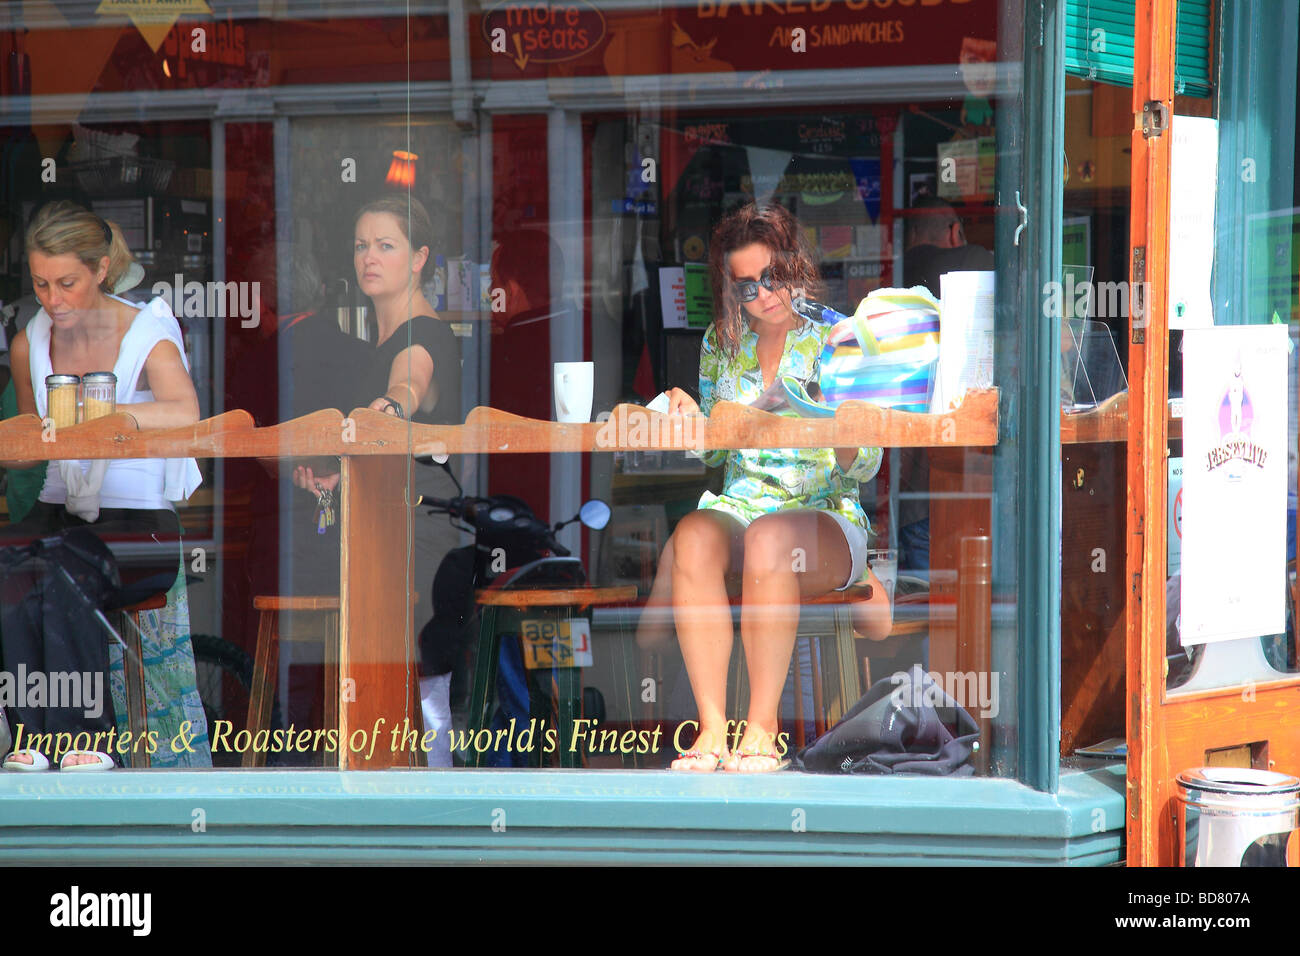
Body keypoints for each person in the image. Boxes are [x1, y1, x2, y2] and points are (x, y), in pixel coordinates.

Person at [660, 202, 891, 773]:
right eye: (746, 286)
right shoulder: (721, 342)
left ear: (796, 267)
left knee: (768, 539)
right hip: (743, 506)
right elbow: (716, 451)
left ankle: (762, 729)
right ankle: (712, 728)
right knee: (691, 536)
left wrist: (833, 426)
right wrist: (688, 416)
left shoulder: (841, 337)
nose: (763, 295)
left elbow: (866, 464)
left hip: (826, 514)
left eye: (773, 277)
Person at [0, 200, 209, 770]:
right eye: (41, 285)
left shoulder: (147, 332)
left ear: (99, 269)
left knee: (64, 565)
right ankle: (30, 739)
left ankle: (86, 738)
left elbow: (186, 413)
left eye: (67, 282)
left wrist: (104, 415)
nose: (53, 299)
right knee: (11, 565)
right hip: (58, 507)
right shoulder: (29, 343)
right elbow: (26, 453)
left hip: (138, 521)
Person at [288, 195, 462, 767]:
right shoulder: (378, 337)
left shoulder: (423, 337)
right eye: (362, 245)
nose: (370, 257)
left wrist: (388, 406)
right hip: (380, 527)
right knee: (388, 680)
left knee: (417, 680)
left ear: (419, 258)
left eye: (386, 245)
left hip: (418, 534)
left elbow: (410, 384)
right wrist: (335, 475)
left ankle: (436, 811)